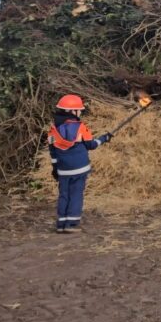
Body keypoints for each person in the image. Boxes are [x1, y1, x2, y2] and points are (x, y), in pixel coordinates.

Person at [47, 94, 112, 233]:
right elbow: (91, 145)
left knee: (64, 195)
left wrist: (54, 168)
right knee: (76, 194)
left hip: (62, 170)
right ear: (72, 111)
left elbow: (52, 151)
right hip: (79, 169)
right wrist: (104, 138)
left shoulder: (53, 130)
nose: (80, 112)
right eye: (79, 110)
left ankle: (61, 223)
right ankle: (71, 224)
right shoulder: (80, 127)